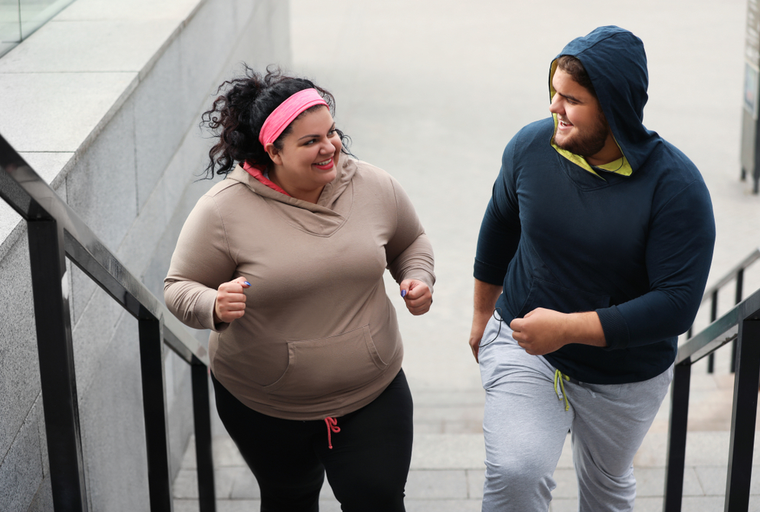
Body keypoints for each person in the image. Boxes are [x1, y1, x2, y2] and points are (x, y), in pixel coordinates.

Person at [164, 66, 435, 512]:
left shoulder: (372, 184)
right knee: (288, 500)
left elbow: (411, 241)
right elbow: (179, 287)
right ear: (273, 150)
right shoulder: (223, 211)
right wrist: (214, 303)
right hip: (263, 406)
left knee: (378, 501)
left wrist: (417, 277)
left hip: (372, 393)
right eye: (310, 142)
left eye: (331, 133)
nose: (330, 147)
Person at [468, 26, 715, 511]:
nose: (555, 109)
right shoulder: (531, 147)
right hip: (526, 347)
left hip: (624, 373)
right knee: (516, 471)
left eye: (572, 100)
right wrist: (482, 315)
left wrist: (567, 328)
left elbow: (676, 304)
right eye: (554, 94)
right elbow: (499, 222)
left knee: (606, 484)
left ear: (614, 106)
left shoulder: (677, 188)